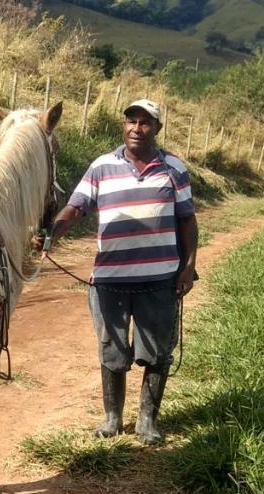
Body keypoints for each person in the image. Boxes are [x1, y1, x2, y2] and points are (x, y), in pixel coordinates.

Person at [38, 99, 198, 445]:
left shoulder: (173, 168)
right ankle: (112, 418)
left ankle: (147, 421)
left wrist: (188, 266)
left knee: (157, 351)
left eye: (145, 122)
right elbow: (75, 207)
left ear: (157, 128)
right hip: (109, 280)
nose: (136, 129)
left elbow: (187, 219)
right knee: (112, 349)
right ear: (123, 126)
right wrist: (53, 231)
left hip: (159, 279)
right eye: (131, 121)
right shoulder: (101, 167)